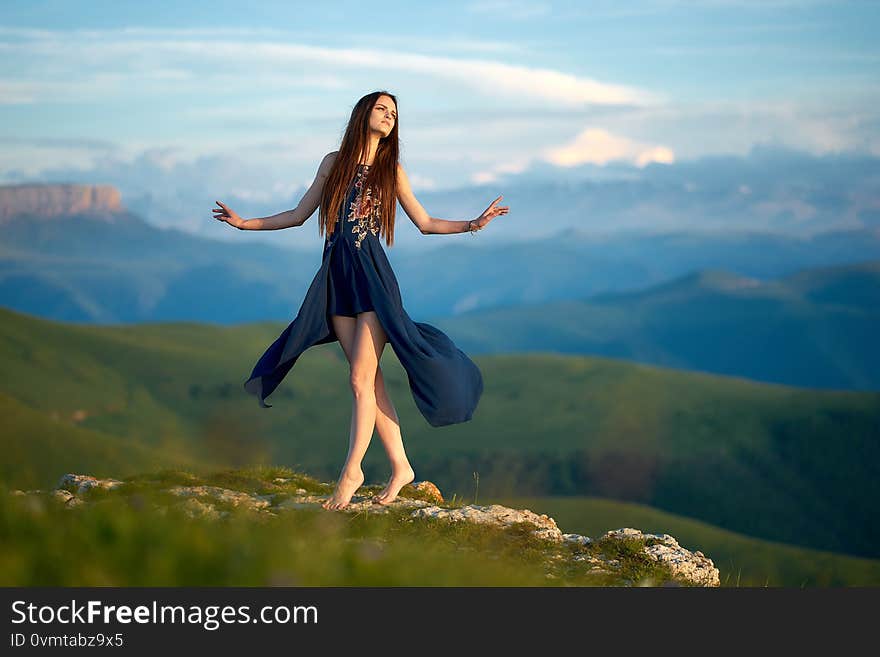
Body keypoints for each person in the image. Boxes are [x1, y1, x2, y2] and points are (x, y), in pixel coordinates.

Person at [212, 90, 509, 510]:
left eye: (394, 114)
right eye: (382, 109)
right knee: (368, 380)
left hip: (372, 280)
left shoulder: (392, 170)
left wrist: (474, 224)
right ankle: (401, 466)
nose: (389, 117)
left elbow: (424, 223)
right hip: (337, 278)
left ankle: (352, 472)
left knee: (357, 380)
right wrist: (245, 224)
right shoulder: (332, 162)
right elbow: (299, 215)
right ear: (363, 113)